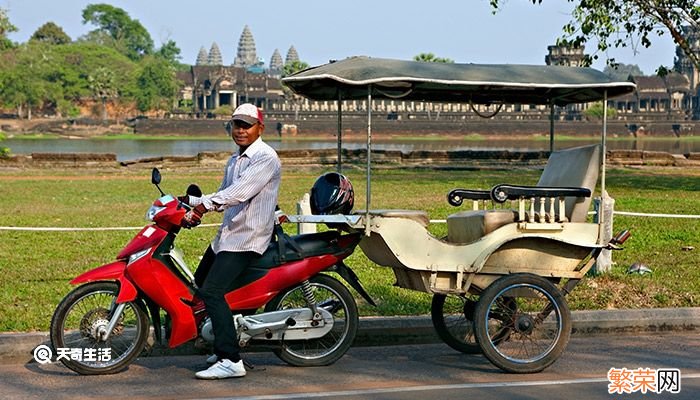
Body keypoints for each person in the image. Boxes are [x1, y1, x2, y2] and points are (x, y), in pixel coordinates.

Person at [181, 103, 281, 379]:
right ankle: (221, 339)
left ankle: (230, 359)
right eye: (236, 124)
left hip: (248, 238)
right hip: (228, 236)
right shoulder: (235, 159)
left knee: (212, 291)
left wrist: (203, 207)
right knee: (200, 286)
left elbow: (238, 193)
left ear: (260, 128)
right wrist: (189, 201)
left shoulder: (265, 157)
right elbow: (224, 193)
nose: (240, 130)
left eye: (247, 125)